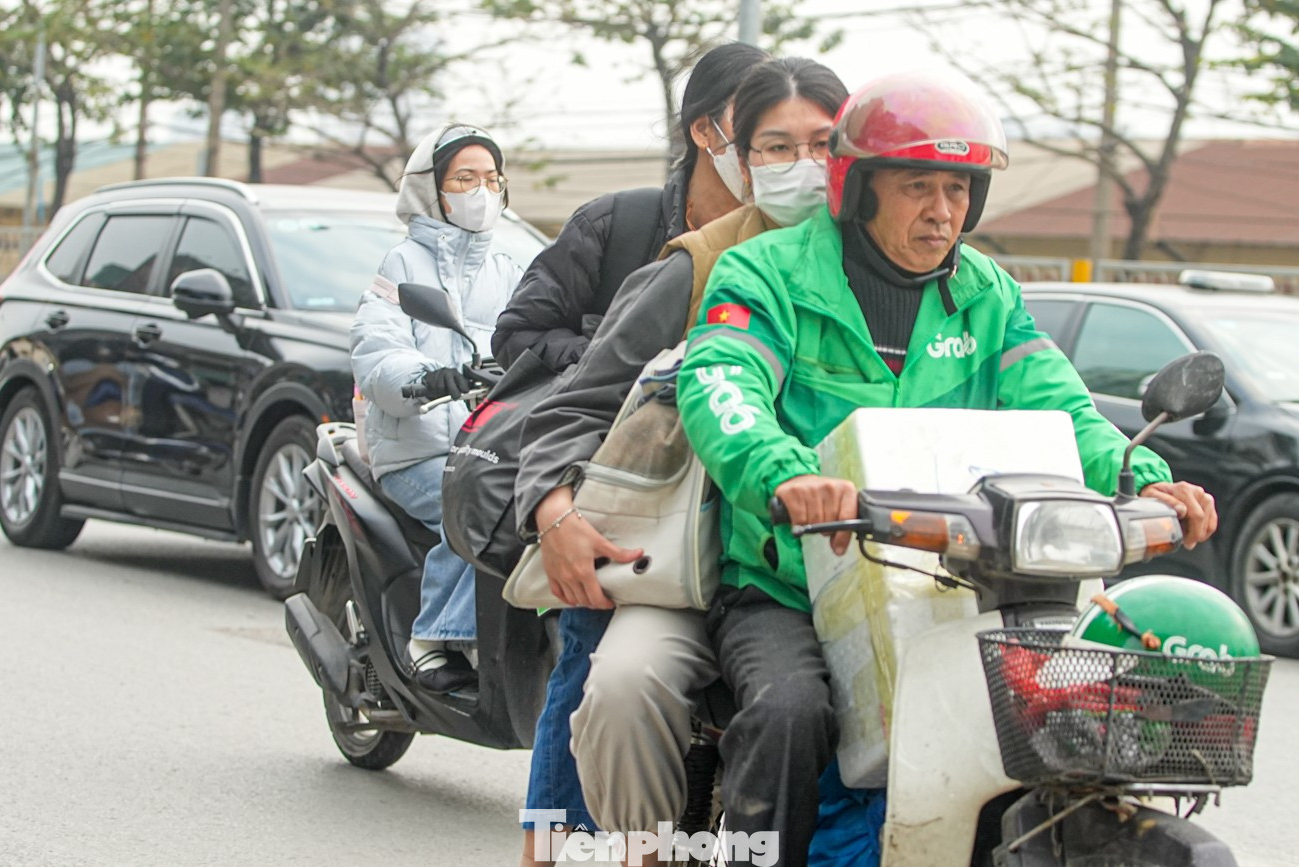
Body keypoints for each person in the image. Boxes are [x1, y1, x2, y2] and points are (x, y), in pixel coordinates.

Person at [674, 69, 1219, 867]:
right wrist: (783, 473)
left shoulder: (986, 292)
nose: (942, 211)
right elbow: (722, 384)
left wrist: (1143, 475)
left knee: (1052, 715)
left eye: (958, 189)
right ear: (859, 189)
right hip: (790, 581)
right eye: (917, 187)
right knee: (791, 711)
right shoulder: (765, 273)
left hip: (953, 583)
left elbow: (1062, 409)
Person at [512, 57, 848, 842]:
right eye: (777, 147)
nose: (804, 165)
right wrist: (554, 513)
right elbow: (575, 404)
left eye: (824, 144)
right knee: (608, 683)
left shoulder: (917, 270)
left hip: (864, 565)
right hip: (692, 561)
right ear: (734, 151)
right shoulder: (698, 262)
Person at [350, 124, 521, 693]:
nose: (482, 191)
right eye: (465, 179)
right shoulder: (402, 263)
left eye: (492, 179)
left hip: (489, 443)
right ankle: (432, 638)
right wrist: (427, 377)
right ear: (433, 189)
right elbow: (375, 348)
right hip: (416, 451)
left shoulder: (509, 268)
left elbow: (537, 337)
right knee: (475, 505)